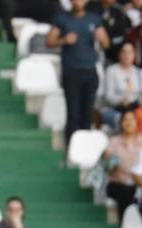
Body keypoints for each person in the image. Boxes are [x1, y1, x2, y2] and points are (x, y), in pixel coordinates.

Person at [48, 0, 107, 142]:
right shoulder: (61, 18)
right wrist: (64, 40)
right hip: (71, 72)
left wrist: (100, 38)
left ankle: (84, 147)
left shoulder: (94, 19)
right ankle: (71, 147)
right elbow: (49, 41)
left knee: (87, 114)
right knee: (73, 113)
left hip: (90, 71)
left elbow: (106, 43)